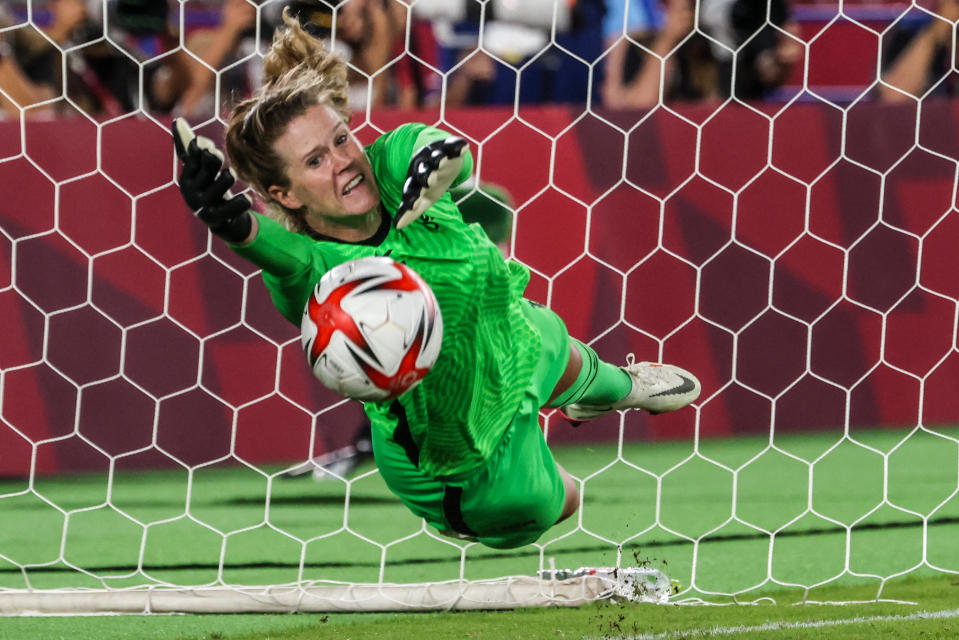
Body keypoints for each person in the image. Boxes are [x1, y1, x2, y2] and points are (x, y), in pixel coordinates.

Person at [171, 9, 701, 549]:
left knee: (538, 331)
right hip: (452, 456)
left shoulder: (391, 159)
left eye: (340, 139)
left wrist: (434, 165)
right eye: (314, 161)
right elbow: (271, 249)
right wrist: (229, 221)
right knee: (554, 502)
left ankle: (615, 387)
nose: (344, 161)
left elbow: (443, 150)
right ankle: (501, 492)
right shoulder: (317, 270)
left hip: (507, 338)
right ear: (284, 194)